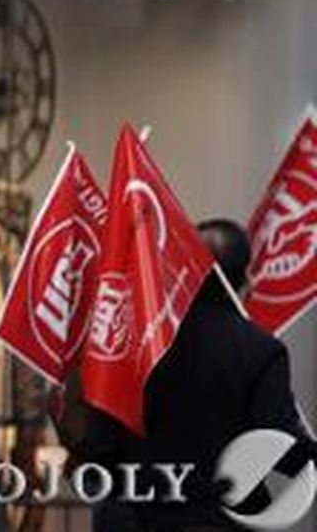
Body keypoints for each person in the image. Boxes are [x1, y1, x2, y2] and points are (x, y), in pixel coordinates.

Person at [69, 218, 310, 531]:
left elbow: (99, 448)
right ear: (243, 277)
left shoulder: (131, 342)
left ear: (179, 265)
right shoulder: (261, 350)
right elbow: (279, 451)